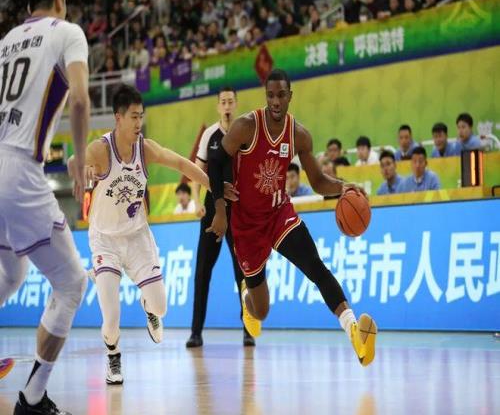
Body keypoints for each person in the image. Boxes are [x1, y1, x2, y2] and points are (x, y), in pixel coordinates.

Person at [207, 69, 378, 367]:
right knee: (261, 311)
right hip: (246, 224)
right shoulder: (246, 126)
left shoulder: (299, 135)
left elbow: (317, 181)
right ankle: (247, 299)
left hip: (278, 213)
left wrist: (343, 187)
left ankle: (354, 331)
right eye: (270, 95)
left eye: (281, 95)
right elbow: (216, 160)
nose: (275, 101)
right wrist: (220, 208)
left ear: (290, 96)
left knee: (315, 266)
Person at [70, 85, 235, 386]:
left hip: (137, 237)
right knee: (111, 317)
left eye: (141, 116)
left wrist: (214, 186)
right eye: (133, 117)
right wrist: (83, 171)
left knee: (161, 306)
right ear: (118, 118)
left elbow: (182, 164)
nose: (139, 123)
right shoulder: (100, 149)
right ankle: (113, 357)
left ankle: (149, 308)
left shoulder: (145, 149)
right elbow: (72, 162)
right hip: (105, 240)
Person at [0, 0, 90, 413]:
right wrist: (80, 161)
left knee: (11, 274)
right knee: (72, 283)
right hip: (19, 171)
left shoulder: (5, 42)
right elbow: (80, 100)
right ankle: (33, 399)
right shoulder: (67, 32)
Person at [186, 87, 254, 349]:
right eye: (222, 102)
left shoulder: (245, 134)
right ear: (218, 106)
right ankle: (195, 332)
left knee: (243, 271)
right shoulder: (209, 135)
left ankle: (248, 330)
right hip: (212, 208)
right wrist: (195, 199)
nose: (226, 106)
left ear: (236, 104)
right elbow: (197, 170)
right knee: (202, 271)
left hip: (239, 209)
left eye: (230, 101)